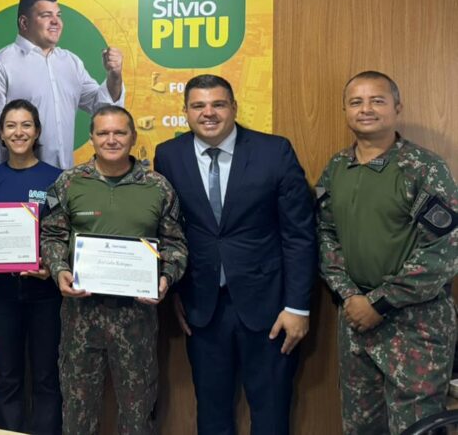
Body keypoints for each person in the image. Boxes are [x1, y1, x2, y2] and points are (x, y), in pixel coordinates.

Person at [153, 74, 316, 435]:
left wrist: (298, 306)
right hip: (202, 308)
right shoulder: (168, 155)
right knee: (211, 415)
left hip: (270, 307)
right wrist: (176, 289)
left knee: (271, 413)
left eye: (218, 104)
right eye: (198, 105)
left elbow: (299, 235)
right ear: (185, 112)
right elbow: (169, 230)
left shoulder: (274, 151)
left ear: (234, 108)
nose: (208, 113)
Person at [317, 71, 457, 435]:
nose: (366, 109)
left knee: (417, 427)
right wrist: (350, 295)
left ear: (397, 108)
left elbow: (444, 250)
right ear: (345, 111)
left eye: (377, 101)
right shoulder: (337, 168)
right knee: (362, 426)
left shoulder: (423, 168)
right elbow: (325, 234)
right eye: (356, 102)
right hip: (356, 320)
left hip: (416, 324)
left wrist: (379, 302)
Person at [41, 105, 187, 435]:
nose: (111, 139)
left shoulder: (157, 186)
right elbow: (51, 235)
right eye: (103, 133)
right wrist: (59, 269)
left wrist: (166, 278)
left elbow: (175, 244)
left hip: (136, 317)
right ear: (92, 138)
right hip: (81, 315)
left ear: (133, 137)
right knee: (77, 413)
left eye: (120, 132)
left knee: (138, 414)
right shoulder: (69, 182)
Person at [0, 99, 63, 435]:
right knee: (8, 378)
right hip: (0, 295)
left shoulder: (56, 178)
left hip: (45, 294)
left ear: (37, 131)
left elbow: (62, 232)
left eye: (26, 125)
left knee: (46, 378)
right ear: (1, 133)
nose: (19, 132)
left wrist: (50, 266)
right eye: (11, 126)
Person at [0, 0, 125, 169]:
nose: (56, 22)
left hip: (65, 177)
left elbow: (101, 108)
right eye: (46, 15)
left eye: (58, 15)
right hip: (18, 176)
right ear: (24, 23)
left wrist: (114, 76)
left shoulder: (71, 62)